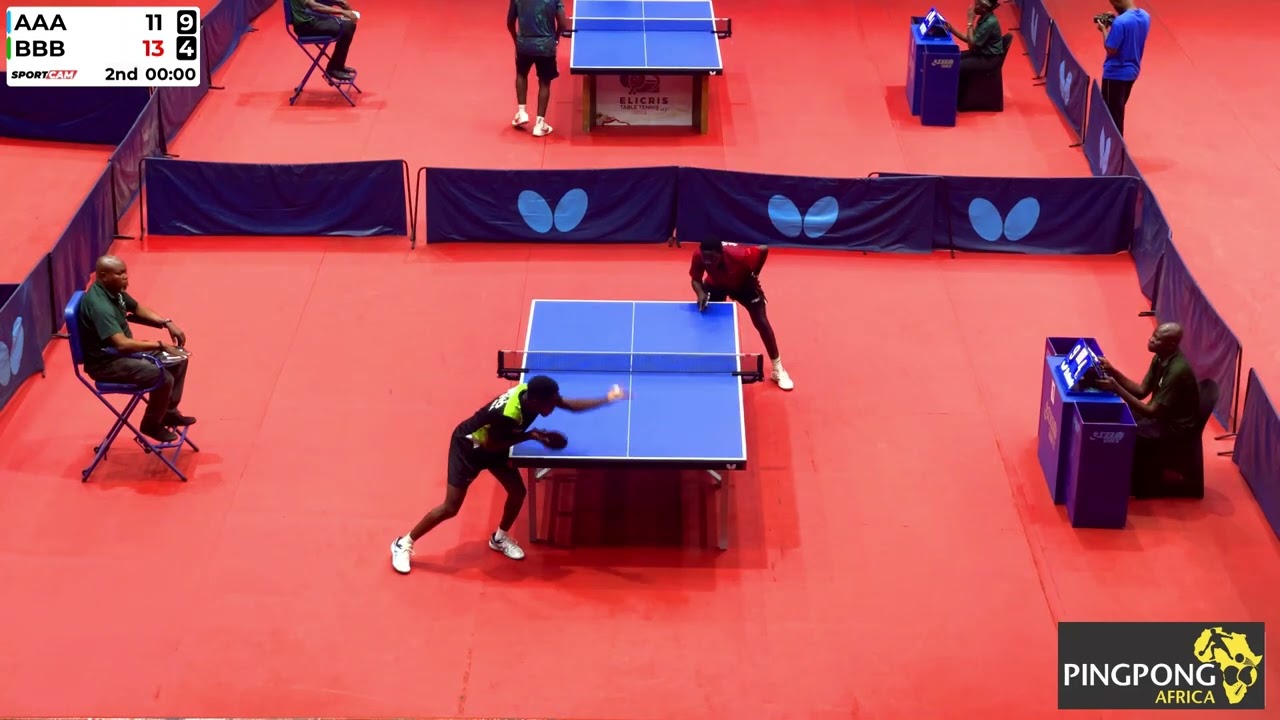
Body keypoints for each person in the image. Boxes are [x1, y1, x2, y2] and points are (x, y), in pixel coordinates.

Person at [391, 376, 625, 572]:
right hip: (469, 447)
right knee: (450, 507)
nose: (553, 408)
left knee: (517, 492)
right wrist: (530, 436)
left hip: (494, 444)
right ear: (534, 400)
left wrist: (607, 399)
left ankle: (499, 538)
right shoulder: (508, 414)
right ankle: (403, 543)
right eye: (549, 404)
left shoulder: (534, 393)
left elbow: (570, 406)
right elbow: (492, 446)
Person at [77, 255, 194, 443]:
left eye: (125, 272)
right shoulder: (100, 306)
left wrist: (167, 322)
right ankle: (151, 424)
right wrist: (161, 345)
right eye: (120, 273)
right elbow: (122, 343)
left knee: (179, 358)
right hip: (105, 362)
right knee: (161, 375)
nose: (125, 277)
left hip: (122, 353)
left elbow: (138, 308)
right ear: (103, 276)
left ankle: (169, 413)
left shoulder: (115, 291)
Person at [1095, 323, 1200, 495]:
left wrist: (1117, 389)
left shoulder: (1177, 371)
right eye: (1153, 335)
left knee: (1128, 431)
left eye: (1157, 339)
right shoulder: (1160, 357)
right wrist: (1112, 371)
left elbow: (1151, 412)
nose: (1150, 340)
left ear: (1171, 345)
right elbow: (1141, 391)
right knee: (1123, 412)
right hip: (1162, 414)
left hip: (1176, 427)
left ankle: (1137, 483)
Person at [690, 236, 794, 391]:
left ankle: (777, 368)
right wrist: (700, 293)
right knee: (710, 321)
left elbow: (764, 248)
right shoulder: (699, 255)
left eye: (712, 259)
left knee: (761, 322)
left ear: (721, 253)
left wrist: (755, 273)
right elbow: (696, 279)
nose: (708, 262)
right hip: (716, 285)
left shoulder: (741, 255)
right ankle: (712, 360)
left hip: (743, 284)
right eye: (706, 259)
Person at [508, 0, 569, 137]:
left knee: (521, 74)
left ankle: (522, 112)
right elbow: (563, 24)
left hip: (524, 45)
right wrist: (556, 38)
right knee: (544, 83)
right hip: (546, 46)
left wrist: (516, 40)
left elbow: (510, 22)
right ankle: (540, 124)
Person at [1097, 0, 1150, 135]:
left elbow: (1111, 48)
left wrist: (1104, 29)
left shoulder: (1121, 23)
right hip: (1132, 72)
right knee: (1118, 109)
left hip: (1115, 74)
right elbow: (1130, 31)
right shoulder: (1145, 16)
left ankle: (1113, 151)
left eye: (1113, 3)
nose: (1113, 6)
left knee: (1112, 116)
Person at [288, 0, 359, 81]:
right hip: (305, 25)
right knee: (346, 29)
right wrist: (342, 12)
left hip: (314, 19)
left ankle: (338, 65)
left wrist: (337, 1)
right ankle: (333, 69)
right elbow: (315, 6)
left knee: (349, 24)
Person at [946, 0, 1005, 83]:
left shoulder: (989, 23)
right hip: (980, 53)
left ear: (984, 8)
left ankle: (958, 93)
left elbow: (972, 44)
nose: (974, 7)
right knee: (953, 59)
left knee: (956, 65)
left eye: (977, 4)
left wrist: (970, 22)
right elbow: (970, 39)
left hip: (989, 59)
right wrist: (952, 29)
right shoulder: (984, 17)